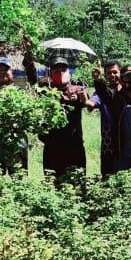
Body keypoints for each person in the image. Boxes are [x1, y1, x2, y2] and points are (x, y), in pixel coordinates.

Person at [39, 56, 92, 185]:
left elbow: (87, 103)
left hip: (74, 146)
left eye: (63, 69)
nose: (60, 73)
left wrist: (81, 99)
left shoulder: (77, 89)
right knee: (52, 183)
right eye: (56, 70)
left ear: (69, 72)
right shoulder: (45, 91)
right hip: (52, 146)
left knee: (77, 183)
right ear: (51, 73)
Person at [90, 60, 122, 176]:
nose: (112, 76)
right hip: (108, 139)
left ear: (121, 73)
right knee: (108, 174)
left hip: (127, 138)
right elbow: (92, 103)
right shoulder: (101, 92)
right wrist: (85, 100)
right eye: (109, 73)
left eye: (115, 72)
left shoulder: (128, 91)